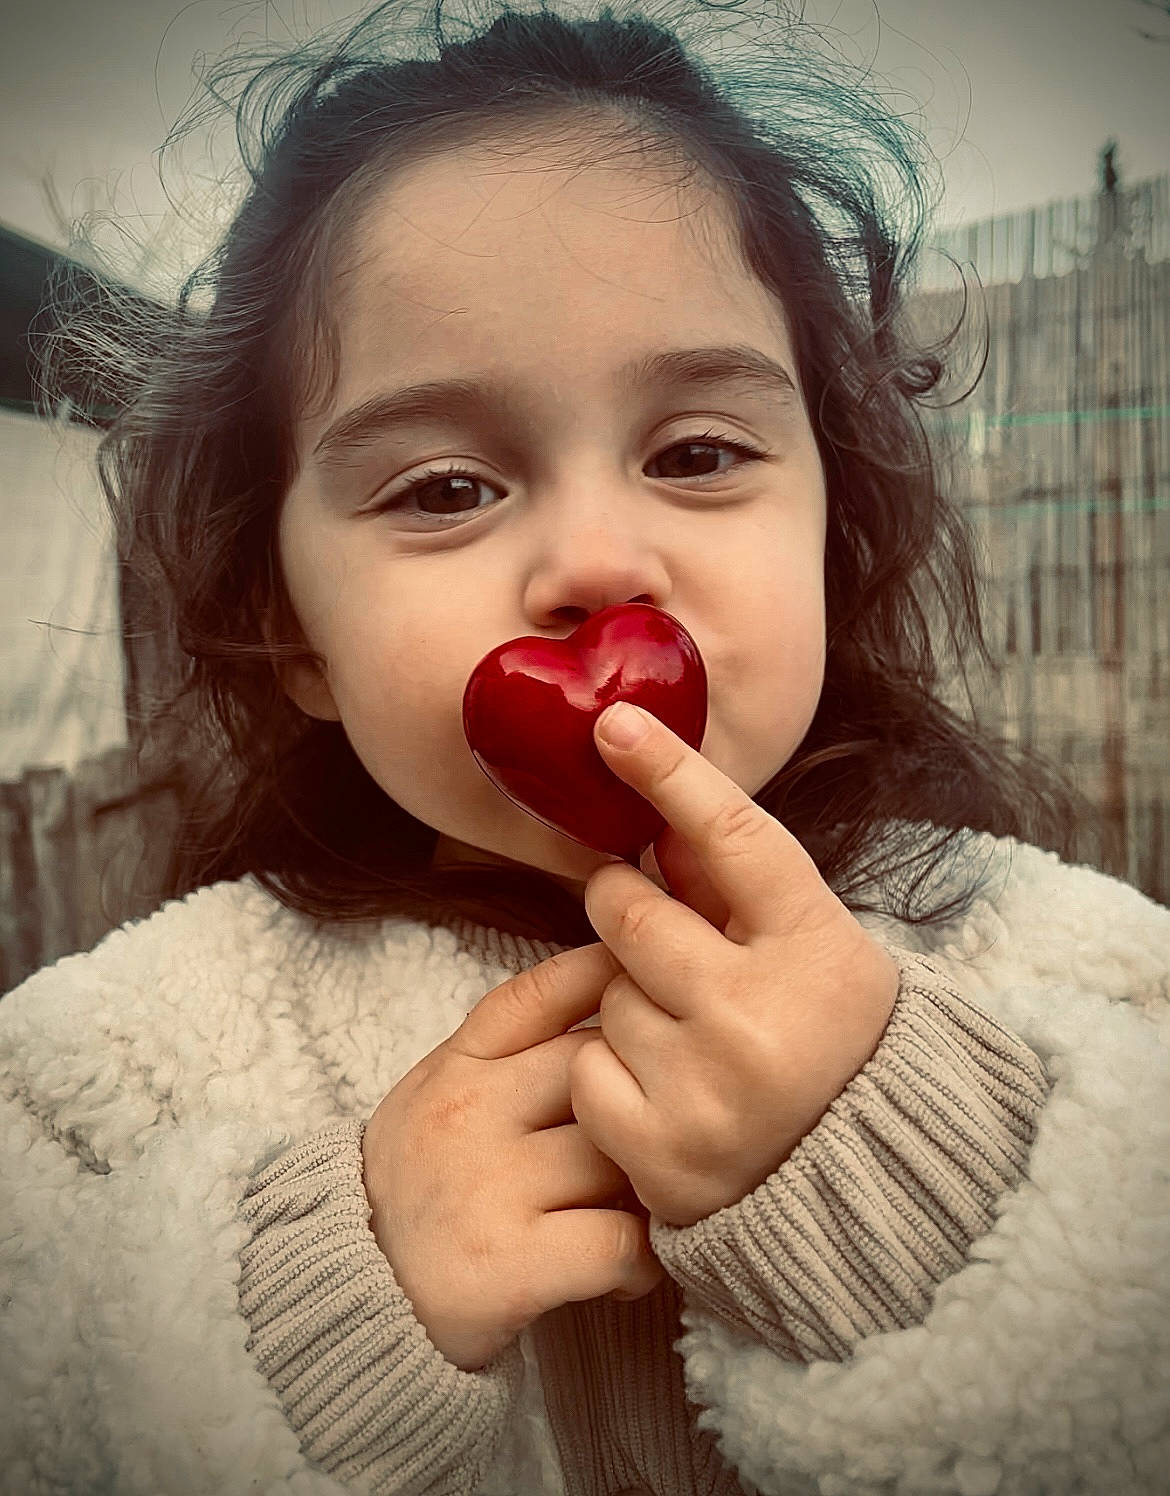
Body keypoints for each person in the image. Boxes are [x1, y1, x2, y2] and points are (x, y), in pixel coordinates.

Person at [4, 1, 1168, 1492]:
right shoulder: (108, 1067)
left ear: (831, 533)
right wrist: (309, 1312)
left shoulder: (1066, 968)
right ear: (290, 631)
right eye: (442, 486)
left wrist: (913, 1170)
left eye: (694, 454)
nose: (597, 562)